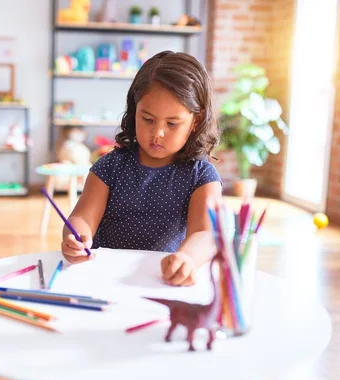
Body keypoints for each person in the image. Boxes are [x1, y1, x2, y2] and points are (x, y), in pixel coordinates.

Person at [61, 50, 223, 288]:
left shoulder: (201, 176)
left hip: (160, 281)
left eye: (172, 124)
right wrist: (77, 236)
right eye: (147, 119)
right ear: (134, 109)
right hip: (103, 278)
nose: (157, 133)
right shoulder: (110, 166)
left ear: (195, 121)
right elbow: (82, 217)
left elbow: (205, 234)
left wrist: (187, 258)